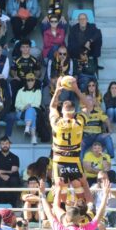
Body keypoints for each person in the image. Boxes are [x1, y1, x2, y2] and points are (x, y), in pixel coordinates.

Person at [49, 76, 96, 205]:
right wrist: (76, 90)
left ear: (62, 110)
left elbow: (52, 107)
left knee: (61, 187)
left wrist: (58, 90)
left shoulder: (57, 123)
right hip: (74, 159)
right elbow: (89, 106)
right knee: (81, 185)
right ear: (74, 111)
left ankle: (63, 214)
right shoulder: (79, 121)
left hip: (59, 160)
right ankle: (87, 211)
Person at [0, 136, 21, 207]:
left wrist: (1, 171)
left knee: (14, 180)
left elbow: (13, 170)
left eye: (7, 143)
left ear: (10, 144)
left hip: (11, 176)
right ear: (0, 145)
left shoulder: (15, 157)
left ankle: (13, 205)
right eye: (2, 144)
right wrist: (1, 175)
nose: (5, 145)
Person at [14, 73, 41, 144]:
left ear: (34, 81)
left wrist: (28, 107)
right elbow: (17, 104)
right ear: (26, 81)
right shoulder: (20, 91)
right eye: (28, 80)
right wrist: (24, 107)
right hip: (21, 112)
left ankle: (27, 128)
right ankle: (33, 136)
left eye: (32, 80)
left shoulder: (38, 91)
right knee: (32, 114)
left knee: (31, 111)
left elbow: (37, 104)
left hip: (33, 111)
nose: (30, 82)